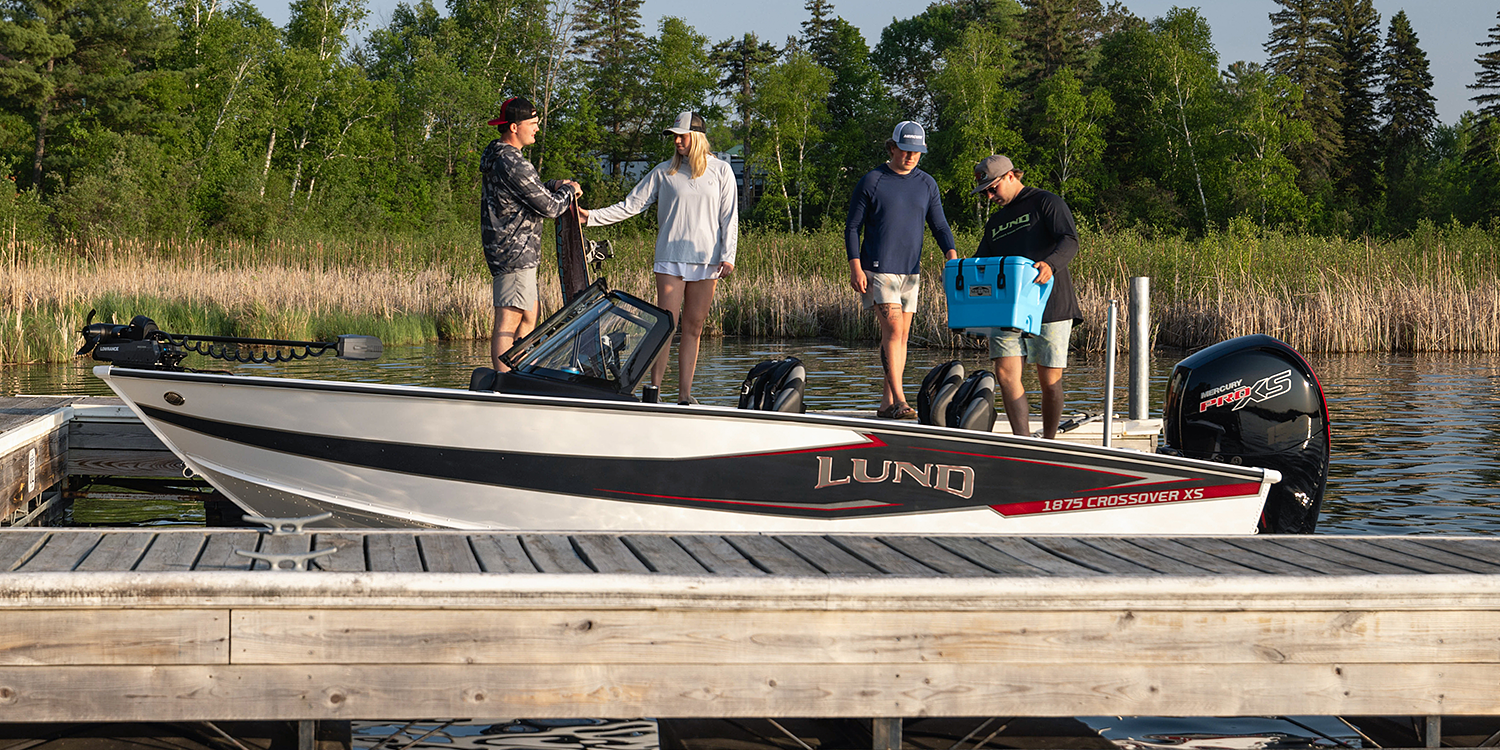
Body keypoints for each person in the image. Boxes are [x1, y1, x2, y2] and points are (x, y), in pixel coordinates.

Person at [584, 111, 738, 405]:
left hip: (707, 261)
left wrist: (727, 256)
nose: (677, 142)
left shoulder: (721, 171)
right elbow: (630, 205)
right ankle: (653, 393)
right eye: (674, 137)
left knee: (694, 328)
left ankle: (684, 396)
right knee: (665, 327)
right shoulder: (663, 172)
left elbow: (729, 218)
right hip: (670, 259)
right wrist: (590, 217)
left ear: (697, 137)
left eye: (682, 136)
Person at [844, 121, 958, 420]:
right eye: (906, 150)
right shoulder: (873, 180)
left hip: (910, 270)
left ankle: (886, 404)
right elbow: (853, 227)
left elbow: (940, 225)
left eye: (916, 152)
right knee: (893, 331)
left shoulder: (927, 184)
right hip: (878, 267)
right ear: (892, 148)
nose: (910, 156)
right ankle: (900, 400)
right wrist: (856, 267)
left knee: (901, 336)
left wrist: (952, 256)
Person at [969, 155, 1083, 439]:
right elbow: (981, 263)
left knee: (1050, 380)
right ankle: (1022, 440)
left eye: (992, 189)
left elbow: (1070, 240)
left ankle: (1048, 441)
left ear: (1011, 176)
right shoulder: (995, 222)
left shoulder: (1046, 202)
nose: (989, 196)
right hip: (1006, 309)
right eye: (984, 193)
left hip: (1050, 303)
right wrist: (960, 279)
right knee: (1005, 374)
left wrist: (1051, 264)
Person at [480, 96, 583, 371]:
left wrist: (554, 184)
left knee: (529, 316)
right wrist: (569, 191)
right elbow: (550, 208)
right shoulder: (512, 161)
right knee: (509, 321)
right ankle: (505, 383)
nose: (537, 128)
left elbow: (526, 191)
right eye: (533, 123)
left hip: (512, 251)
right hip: (514, 252)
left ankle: (520, 374)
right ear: (514, 127)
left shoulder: (501, 157)